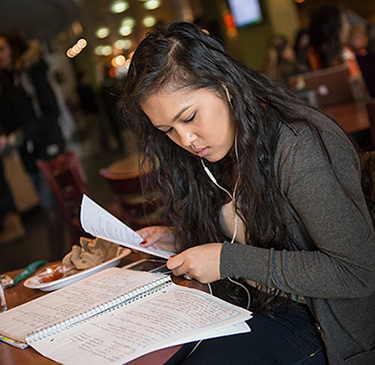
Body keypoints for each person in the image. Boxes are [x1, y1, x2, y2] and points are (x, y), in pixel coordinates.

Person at [121, 22, 375, 364]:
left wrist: (228, 260)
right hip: (257, 306)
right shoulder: (216, 150)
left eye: (190, 117)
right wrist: (180, 239)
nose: (185, 140)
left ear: (223, 83)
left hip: (325, 326)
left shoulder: (299, 148)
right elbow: (242, 231)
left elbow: (357, 273)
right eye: (168, 130)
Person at [0, 33, 66, 260]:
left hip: (49, 149)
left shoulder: (33, 72)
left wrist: (19, 135)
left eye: (2, 49)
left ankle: (56, 259)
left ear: (14, 49)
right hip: (27, 154)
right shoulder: (7, 80)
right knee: (51, 205)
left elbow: (52, 112)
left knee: (51, 205)